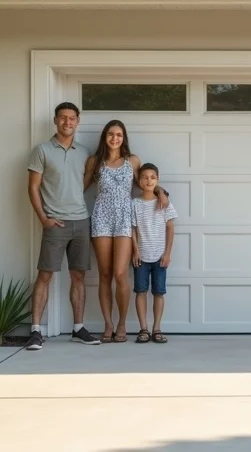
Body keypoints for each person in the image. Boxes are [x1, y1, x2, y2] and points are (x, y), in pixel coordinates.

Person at [83, 120, 168, 343]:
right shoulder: (95, 161)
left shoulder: (133, 160)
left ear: (124, 137)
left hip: (124, 219)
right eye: (111, 134)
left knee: (120, 274)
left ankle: (121, 323)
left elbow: (144, 183)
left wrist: (160, 191)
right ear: (105, 136)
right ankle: (108, 324)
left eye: (119, 134)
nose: (115, 138)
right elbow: (80, 187)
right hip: (101, 217)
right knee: (105, 274)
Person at [25, 102, 101, 350]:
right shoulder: (42, 150)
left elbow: (84, 184)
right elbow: (33, 187)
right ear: (55, 120)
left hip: (81, 221)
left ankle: (78, 328)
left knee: (79, 276)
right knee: (45, 275)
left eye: (72, 118)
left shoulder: (84, 152)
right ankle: (36, 330)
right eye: (62, 118)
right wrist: (43, 218)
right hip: (55, 222)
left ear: (78, 121)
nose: (67, 122)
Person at [131, 163, 177, 344]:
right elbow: (132, 229)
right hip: (141, 257)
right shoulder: (134, 203)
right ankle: (143, 328)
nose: (148, 180)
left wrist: (167, 253)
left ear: (157, 179)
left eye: (152, 177)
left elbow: (170, 228)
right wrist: (135, 252)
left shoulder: (164, 203)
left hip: (159, 257)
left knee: (159, 292)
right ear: (139, 182)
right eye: (145, 177)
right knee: (140, 291)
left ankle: (157, 328)